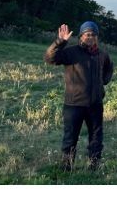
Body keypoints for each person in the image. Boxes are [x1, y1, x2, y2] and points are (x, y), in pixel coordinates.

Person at [44, 21, 113, 171]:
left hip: (95, 104)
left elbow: (108, 69)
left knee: (96, 137)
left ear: (97, 37)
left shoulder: (102, 54)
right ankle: (66, 167)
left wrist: (103, 82)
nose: (90, 37)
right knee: (70, 138)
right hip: (74, 104)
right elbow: (50, 58)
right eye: (87, 34)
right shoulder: (71, 52)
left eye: (93, 35)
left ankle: (94, 165)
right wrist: (60, 41)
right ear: (81, 36)